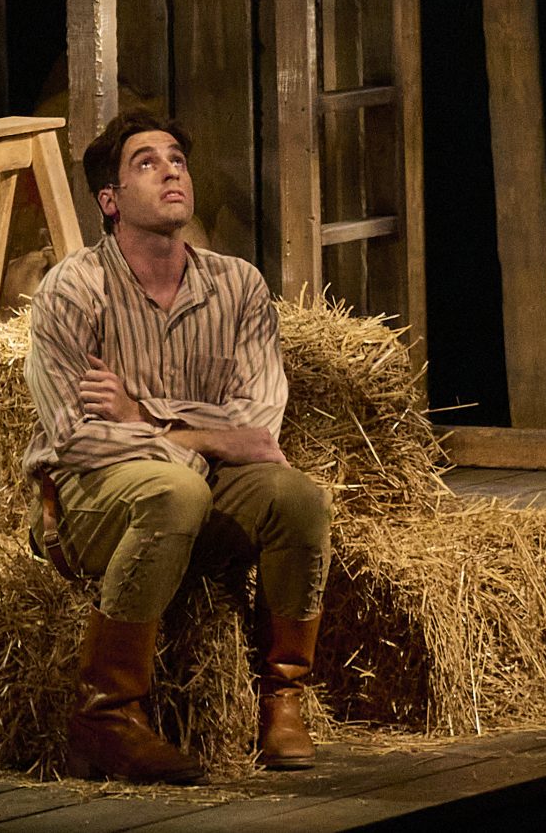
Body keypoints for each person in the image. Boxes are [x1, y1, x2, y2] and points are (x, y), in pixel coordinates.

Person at [24, 111, 330, 782]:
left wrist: (141, 415)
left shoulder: (239, 285)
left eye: (177, 160)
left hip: (200, 484)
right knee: (177, 488)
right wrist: (202, 439)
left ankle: (282, 697)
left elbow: (258, 428)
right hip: (90, 499)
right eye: (146, 162)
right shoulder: (73, 289)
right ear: (110, 201)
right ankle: (105, 715)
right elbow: (75, 435)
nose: (170, 171)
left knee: (298, 498)